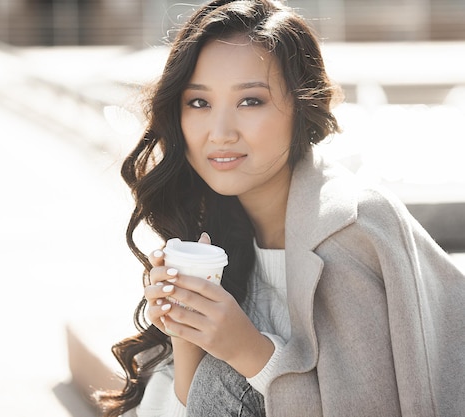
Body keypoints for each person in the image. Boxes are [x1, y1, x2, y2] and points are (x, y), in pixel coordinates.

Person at [96, 0, 465, 416]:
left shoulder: (349, 229)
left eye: (250, 101)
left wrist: (250, 352)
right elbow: (196, 403)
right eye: (199, 102)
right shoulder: (218, 227)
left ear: (302, 107)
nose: (220, 133)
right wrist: (186, 331)